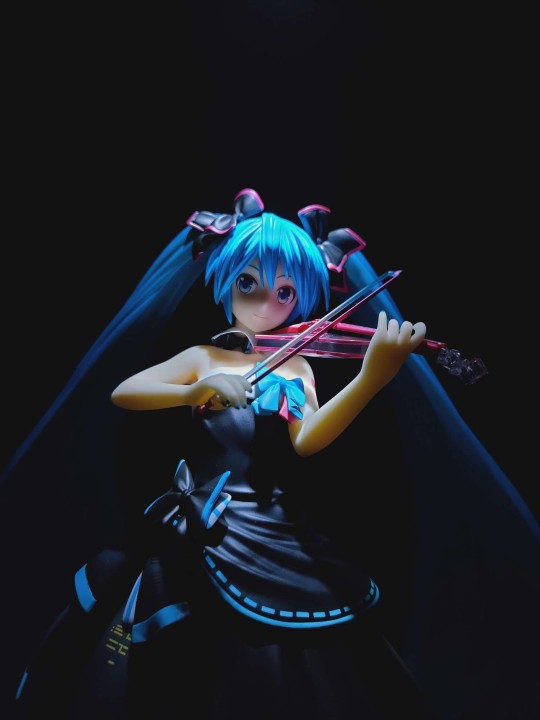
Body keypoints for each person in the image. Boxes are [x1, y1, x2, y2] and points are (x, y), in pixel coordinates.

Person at [3, 189, 539, 720]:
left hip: (271, 521)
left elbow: (307, 440)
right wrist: (194, 390)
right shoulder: (205, 356)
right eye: (249, 284)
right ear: (226, 280)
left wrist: (372, 377)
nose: (265, 303)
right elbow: (126, 392)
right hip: (198, 521)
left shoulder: (297, 365)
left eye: (284, 292)